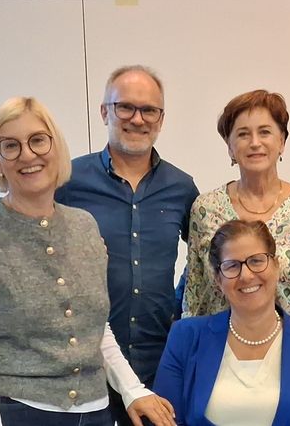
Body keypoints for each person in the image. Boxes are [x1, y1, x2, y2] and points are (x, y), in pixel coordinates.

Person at [0, 96, 175, 426]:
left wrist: (132, 390)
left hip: (96, 412)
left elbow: (96, 329)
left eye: (38, 140)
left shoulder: (84, 226)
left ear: (56, 147)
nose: (28, 155)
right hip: (20, 413)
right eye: (10, 146)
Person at [54, 66, 198, 426]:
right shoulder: (68, 181)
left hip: (158, 363)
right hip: (86, 364)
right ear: (105, 112)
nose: (137, 119)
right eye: (125, 107)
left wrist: (178, 308)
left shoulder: (181, 188)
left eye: (149, 110)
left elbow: (206, 259)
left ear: (161, 119)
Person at [181, 89, 290, 360]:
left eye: (265, 132)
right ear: (229, 146)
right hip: (222, 358)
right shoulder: (206, 209)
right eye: (243, 134)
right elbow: (195, 294)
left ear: (282, 141)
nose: (254, 143)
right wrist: (190, 355)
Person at [155, 219, 290, 425]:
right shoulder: (185, 337)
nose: (246, 276)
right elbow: (165, 421)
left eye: (256, 261)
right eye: (232, 266)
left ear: (276, 266)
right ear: (218, 280)